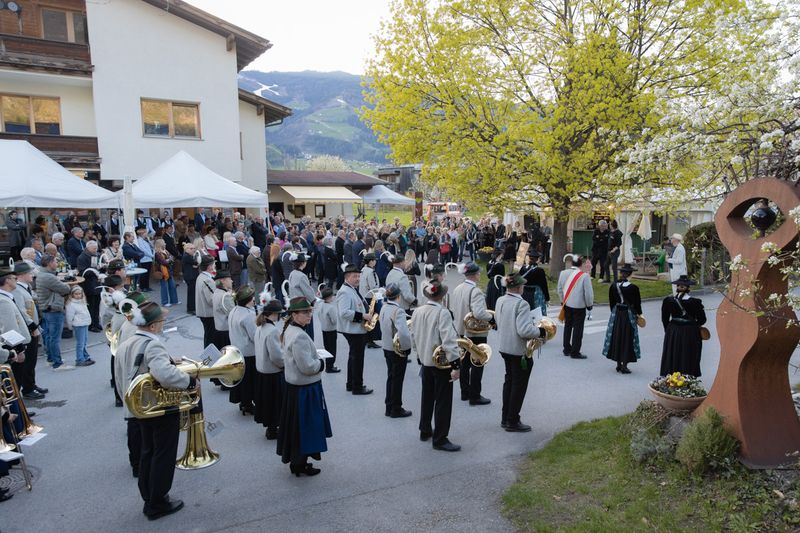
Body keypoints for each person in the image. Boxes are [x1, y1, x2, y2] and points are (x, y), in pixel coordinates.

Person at [114, 302, 192, 520]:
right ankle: (158, 502)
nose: (163, 324)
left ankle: (149, 497)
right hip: (158, 409)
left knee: (148, 453)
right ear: (153, 326)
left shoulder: (127, 343)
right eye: (161, 321)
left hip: (139, 410)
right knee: (163, 454)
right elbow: (165, 376)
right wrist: (189, 380)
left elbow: (120, 378)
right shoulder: (153, 345)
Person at [277, 297, 332, 477]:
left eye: (310, 311)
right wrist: (321, 364)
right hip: (304, 390)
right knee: (306, 428)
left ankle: (298, 462)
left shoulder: (290, 330)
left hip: (295, 388)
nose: (309, 315)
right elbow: (307, 367)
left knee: (297, 428)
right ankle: (299, 463)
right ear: (294, 315)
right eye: (305, 312)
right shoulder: (299, 335)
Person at [411, 280, 461, 451]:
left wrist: (419, 355)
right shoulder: (443, 312)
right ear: (442, 296)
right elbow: (448, 341)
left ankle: (425, 430)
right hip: (441, 364)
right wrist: (455, 365)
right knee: (443, 401)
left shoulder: (418, 311)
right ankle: (440, 438)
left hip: (425, 361)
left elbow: (414, 336)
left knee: (427, 397)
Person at [494, 273, 548, 432]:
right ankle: (513, 420)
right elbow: (524, 331)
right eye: (522, 285)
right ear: (518, 288)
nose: (523, 287)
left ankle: (505, 417)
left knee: (509, 382)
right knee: (518, 386)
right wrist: (540, 331)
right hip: (518, 350)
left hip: (504, 346)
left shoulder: (500, 300)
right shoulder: (522, 304)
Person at [450, 262, 493, 405]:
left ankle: (465, 392)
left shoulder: (458, 288)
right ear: (475, 275)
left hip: (461, 331)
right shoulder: (476, 291)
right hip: (475, 333)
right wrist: (491, 317)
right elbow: (479, 313)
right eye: (478, 273)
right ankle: (475, 395)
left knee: (465, 363)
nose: (480, 275)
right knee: (478, 363)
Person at [336, 264, 373, 395]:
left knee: (353, 357)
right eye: (354, 276)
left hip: (354, 329)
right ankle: (357, 386)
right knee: (357, 359)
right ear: (347, 278)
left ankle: (351, 384)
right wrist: (363, 316)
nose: (358, 279)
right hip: (353, 330)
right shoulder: (345, 292)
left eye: (358, 276)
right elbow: (344, 313)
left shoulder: (350, 289)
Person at [12, 262, 46, 399]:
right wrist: (33, 327)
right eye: (29, 272)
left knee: (32, 360)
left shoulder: (25, 287)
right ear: (21, 275)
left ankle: (31, 383)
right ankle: (28, 388)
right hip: (28, 330)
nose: (32, 275)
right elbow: (21, 311)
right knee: (28, 361)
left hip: (33, 327)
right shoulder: (16, 290)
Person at [660, 275, 706, 376]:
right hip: (689, 331)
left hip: (673, 330)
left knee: (673, 352)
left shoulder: (668, 301)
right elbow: (702, 320)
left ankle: (671, 375)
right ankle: (687, 375)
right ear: (688, 288)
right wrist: (694, 326)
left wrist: (668, 331)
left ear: (677, 287)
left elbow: (664, 318)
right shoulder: (695, 302)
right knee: (688, 353)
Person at [379, 284, 412, 418]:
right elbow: (403, 333)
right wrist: (407, 348)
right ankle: (396, 408)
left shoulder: (384, 307)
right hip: (396, 349)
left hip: (386, 346)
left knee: (391, 377)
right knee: (398, 379)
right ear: (398, 296)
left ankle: (389, 406)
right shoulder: (398, 311)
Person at [603, 264, 642, 374]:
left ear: (621, 274)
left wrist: (615, 312)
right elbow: (637, 304)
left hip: (616, 314)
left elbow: (612, 303)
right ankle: (624, 365)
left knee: (617, 337)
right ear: (630, 274)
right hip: (628, 315)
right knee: (627, 338)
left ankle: (618, 364)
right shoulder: (633, 288)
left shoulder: (613, 286)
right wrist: (639, 315)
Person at [254, 298, 285, 439]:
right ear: (274, 314)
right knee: (275, 404)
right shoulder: (272, 331)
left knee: (267, 403)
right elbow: (276, 356)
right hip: (272, 373)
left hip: (262, 371)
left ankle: (270, 428)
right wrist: (285, 364)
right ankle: (273, 429)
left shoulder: (260, 327)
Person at [35, 254, 73, 370]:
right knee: (54, 338)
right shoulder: (48, 277)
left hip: (46, 308)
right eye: (56, 262)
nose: (57, 264)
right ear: (50, 263)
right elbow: (65, 289)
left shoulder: (41, 274)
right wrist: (64, 283)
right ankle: (58, 363)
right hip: (53, 309)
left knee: (48, 336)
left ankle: (51, 359)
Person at [228, 285, 257, 415]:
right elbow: (255, 336)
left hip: (236, 351)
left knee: (242, 380)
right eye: (252, 297)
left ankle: (244, 403)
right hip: (249, 353)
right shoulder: (248, 315)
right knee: (250, 381)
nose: (254, 299)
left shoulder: (234, 310)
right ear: (248, 300)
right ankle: (248, 404)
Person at [558, 256, 593, 359]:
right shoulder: (584, 276)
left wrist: (563, 301)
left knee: (568, 326)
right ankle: (575, 352)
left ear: (571, 263)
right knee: (578, 329)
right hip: (579, 306)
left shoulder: (563, 273)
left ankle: (566, 349)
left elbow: (559, 289)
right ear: (581, 264)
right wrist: (589, 305)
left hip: (567, 304)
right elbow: (588, 294)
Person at [65, 286, 96, 367]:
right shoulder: (71, 304)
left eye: (80, 294)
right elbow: (69, 316)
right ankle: (79, 359)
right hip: (78, 325)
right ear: (72, 294)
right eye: (76, 294)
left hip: (85, 323)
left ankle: (85, 356)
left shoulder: (82, 302)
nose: (78, 295)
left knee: (84, 342)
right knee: (80, 343)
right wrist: (70, 326)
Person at [287, 253, 316, 339]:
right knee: (308, 327)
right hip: (303, 304)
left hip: (294, 303)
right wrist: (313, 300)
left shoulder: (292, 273)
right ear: (302, 263)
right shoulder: (302, 276)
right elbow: (308, 292)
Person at [359, 253, 381, 349]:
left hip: (363, 297)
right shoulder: (371, 272)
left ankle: (366, 339)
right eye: (374, 260)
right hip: (370, 297)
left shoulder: (363, 270)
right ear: (371, 261)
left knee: (366, 318)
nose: (375, 262)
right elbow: (373, 286)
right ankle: (371, 340)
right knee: (372, 319)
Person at [317, 287, 341, 373]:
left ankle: (327, 365)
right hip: (331, 330)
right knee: (332, 349)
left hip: (324, 329)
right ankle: (330, 366)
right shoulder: (331, 308)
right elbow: (334, 321)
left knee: (327, 348)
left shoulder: (320, 305)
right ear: (329, 297)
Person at [195, 256, 217, 348]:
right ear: (209, 267)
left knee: (208, 336)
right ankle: (209, 356)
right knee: (211, 339)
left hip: (204, 313)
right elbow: (211, 300)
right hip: (208, 314)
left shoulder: (201, 276)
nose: (215, 265)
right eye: (214, 264)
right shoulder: (207, 280)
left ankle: (208, 355)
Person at [519, 250, 549, 315]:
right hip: (536, 293)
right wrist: (547, 297)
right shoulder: (540, 270)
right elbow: (544, 285)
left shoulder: (523, 269)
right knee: (536, 312)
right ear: (537, 259)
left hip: (524, 292)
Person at [212, 271, 234, 350]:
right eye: (229, 279)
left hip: (218, 330)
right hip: (225, 332)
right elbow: (233, 314)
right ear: (223, 281)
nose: (232, 281)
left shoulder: (216, 292)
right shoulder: (225, 296)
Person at [153, 239, 179, 307]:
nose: (165, 243)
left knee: (172, 286)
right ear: (160, 244)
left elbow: (172, 258)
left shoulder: (166, 251)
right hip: (163, 272)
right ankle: (164, 302)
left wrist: (169, 260)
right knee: (164, 287)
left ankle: (174, 301)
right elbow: (163, 262)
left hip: (169, 270)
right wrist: (169, 260)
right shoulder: (157, 253)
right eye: (164, 242)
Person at [181, 243, 199, 315]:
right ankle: (191, 309)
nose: (193, 250)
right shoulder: (187, 256)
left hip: (191, 276)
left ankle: (192, 308)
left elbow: (195, 264)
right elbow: (196, 262)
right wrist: (195, 264)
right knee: (191, 294)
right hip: (190, 277)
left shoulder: (189, 256)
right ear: (186, 249)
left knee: (192, 293)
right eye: (191, 248)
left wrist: (195, 265)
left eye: (194, 248)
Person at [135, 226, 155, 292]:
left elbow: (152, 246)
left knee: (148, 274)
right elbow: (143, 250)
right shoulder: (139, 240)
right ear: (142, 234)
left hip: (149, 259)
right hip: (144, 259)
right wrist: (151, 255)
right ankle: (143, 287)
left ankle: (147, 286)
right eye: (145, 232)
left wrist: (149, 240)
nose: (147, 234)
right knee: (144, 275)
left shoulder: (145, 240)